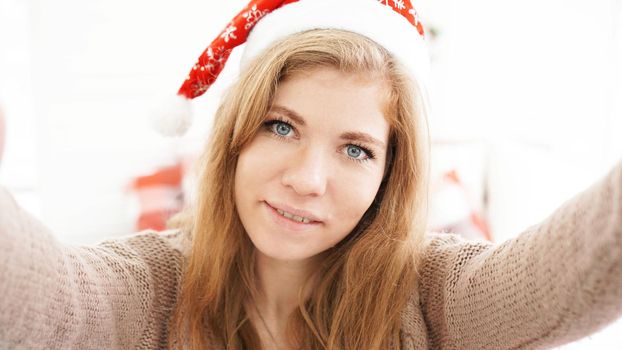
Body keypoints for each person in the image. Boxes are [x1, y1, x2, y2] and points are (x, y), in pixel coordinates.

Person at [1, 0, 621, 349]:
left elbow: (574, 268)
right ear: (234, 141)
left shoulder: (432, 292)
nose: (308, 179)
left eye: (356, 149)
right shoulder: (152, 287)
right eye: (281, 126)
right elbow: (50, 300)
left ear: (390, 175)